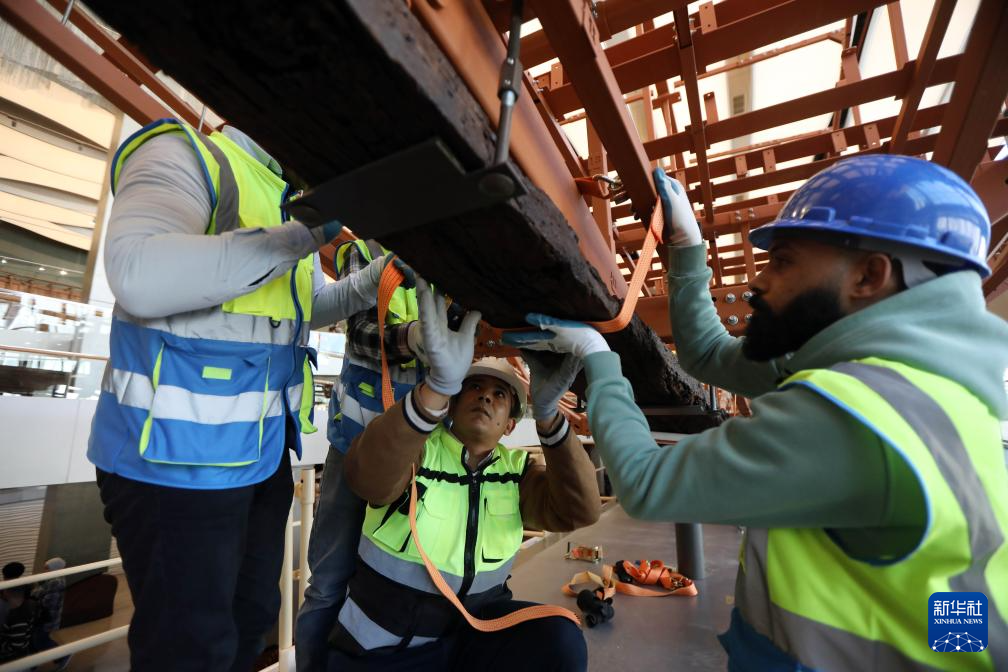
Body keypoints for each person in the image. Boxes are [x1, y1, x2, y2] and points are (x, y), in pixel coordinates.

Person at [504, 156, 1008, 670]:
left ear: (869, 274)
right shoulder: (925, 387)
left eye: (783, 262)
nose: (758, 283)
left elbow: (645, 481)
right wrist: (687, 249)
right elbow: (709, 354)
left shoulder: (862, 413)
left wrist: (599, 359)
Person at [88, 118, 395, 671]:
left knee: (252, 622)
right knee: (189, 649)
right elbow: (137, 274)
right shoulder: (186, 153)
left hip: (259, 456)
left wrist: (374, 278)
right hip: (172, 461)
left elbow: (307, 308)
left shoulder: (287, 204)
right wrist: (308, 232)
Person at [325, 279, 599, 671]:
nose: (486, 396)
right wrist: (434, 391)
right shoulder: (418, 447)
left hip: (475, 631)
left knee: (560, 639)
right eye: (474, 387)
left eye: (500, 395)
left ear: (510, 425)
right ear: (453, 404)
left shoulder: (518, 472)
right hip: (388, 648)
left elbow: (580, 509)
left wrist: (550, 417)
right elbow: (368, 477)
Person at [295, 239, 425, 671]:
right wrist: (416, 339)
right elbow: (363, 334)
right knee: (329, 582)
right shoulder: (363, 253)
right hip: (356, 447)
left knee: (399, 581)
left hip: (416, 455)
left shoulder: (441, 262)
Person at [31, 557, 70, 669]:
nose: (45, 570)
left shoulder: (55, 581)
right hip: (46, 617)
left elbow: (49, 602)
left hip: (46, 618)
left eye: (47, 568)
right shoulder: (53, 578)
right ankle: (32, 663)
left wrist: (34, 600)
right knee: (36, 639)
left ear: (54, 568)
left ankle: (63, 656)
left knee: (41, 640)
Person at [0, 563, 39, 664]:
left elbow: (17, 645)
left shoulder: (17, 617)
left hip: (12, 656)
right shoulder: (27, 602)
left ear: (6, 593)